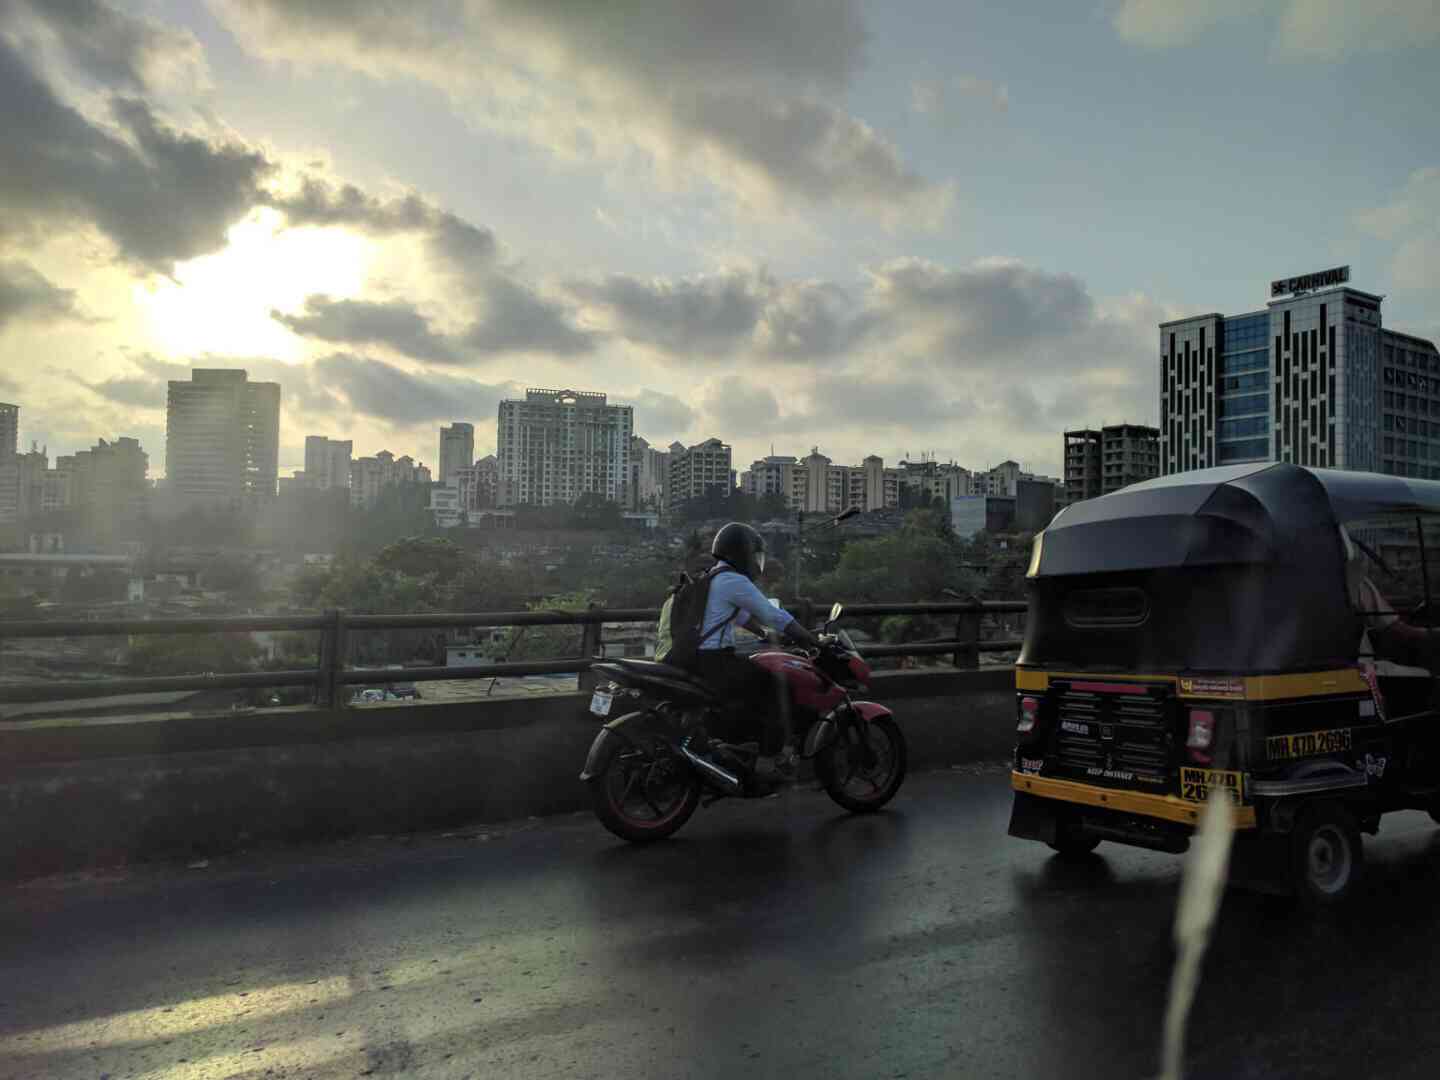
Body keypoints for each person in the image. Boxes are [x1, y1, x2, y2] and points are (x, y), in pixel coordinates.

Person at [695, 522, 819, 782]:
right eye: (754, 555)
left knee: (753, 683)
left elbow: (738, 615)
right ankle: (767, 761)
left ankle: (742, 747)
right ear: (742, 554)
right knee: (777, 686)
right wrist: (808, 638)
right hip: (716, 661)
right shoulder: (733, 580)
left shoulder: (714, 576)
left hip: (703, 660)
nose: (756, 562)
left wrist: (765, 635)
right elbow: (773, 614)